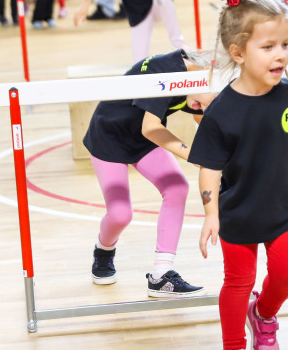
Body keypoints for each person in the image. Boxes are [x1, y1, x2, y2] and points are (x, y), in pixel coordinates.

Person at [189, 0, 288, 350]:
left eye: (285, 44)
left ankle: (263, 313)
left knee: (287, 272)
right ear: (238, 52)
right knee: (237, 283)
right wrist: (211, 214)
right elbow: (208, 168)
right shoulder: (222, 112)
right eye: (268, 47)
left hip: (282, 208)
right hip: (239, 214)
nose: (280, 54)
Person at [82, 48, 214, 296]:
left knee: (177, 188)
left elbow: (204, 120)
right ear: (207, 77)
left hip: (142, 140)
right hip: (109, 138)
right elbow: (151, 128)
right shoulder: (166, 71)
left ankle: (161, 275)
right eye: (210, 102)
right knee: (121, 215)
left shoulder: (197, 82)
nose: (203, 109)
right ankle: (103, 250)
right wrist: (195, 155)